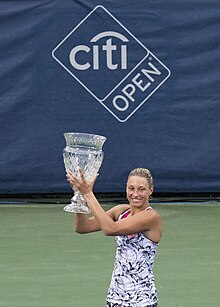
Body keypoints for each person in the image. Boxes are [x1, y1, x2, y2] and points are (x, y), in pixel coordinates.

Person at [66, 167, 162, 307]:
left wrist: (87, 193)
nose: (135, 194)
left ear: (150, 190)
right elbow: (82, 227)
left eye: (141, 189)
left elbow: (110, 229)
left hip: (142, 300)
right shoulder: (120, 211)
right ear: (126, 189)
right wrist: (79, 196)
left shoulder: (151, 217)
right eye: (131, 188)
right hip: (115, 297)